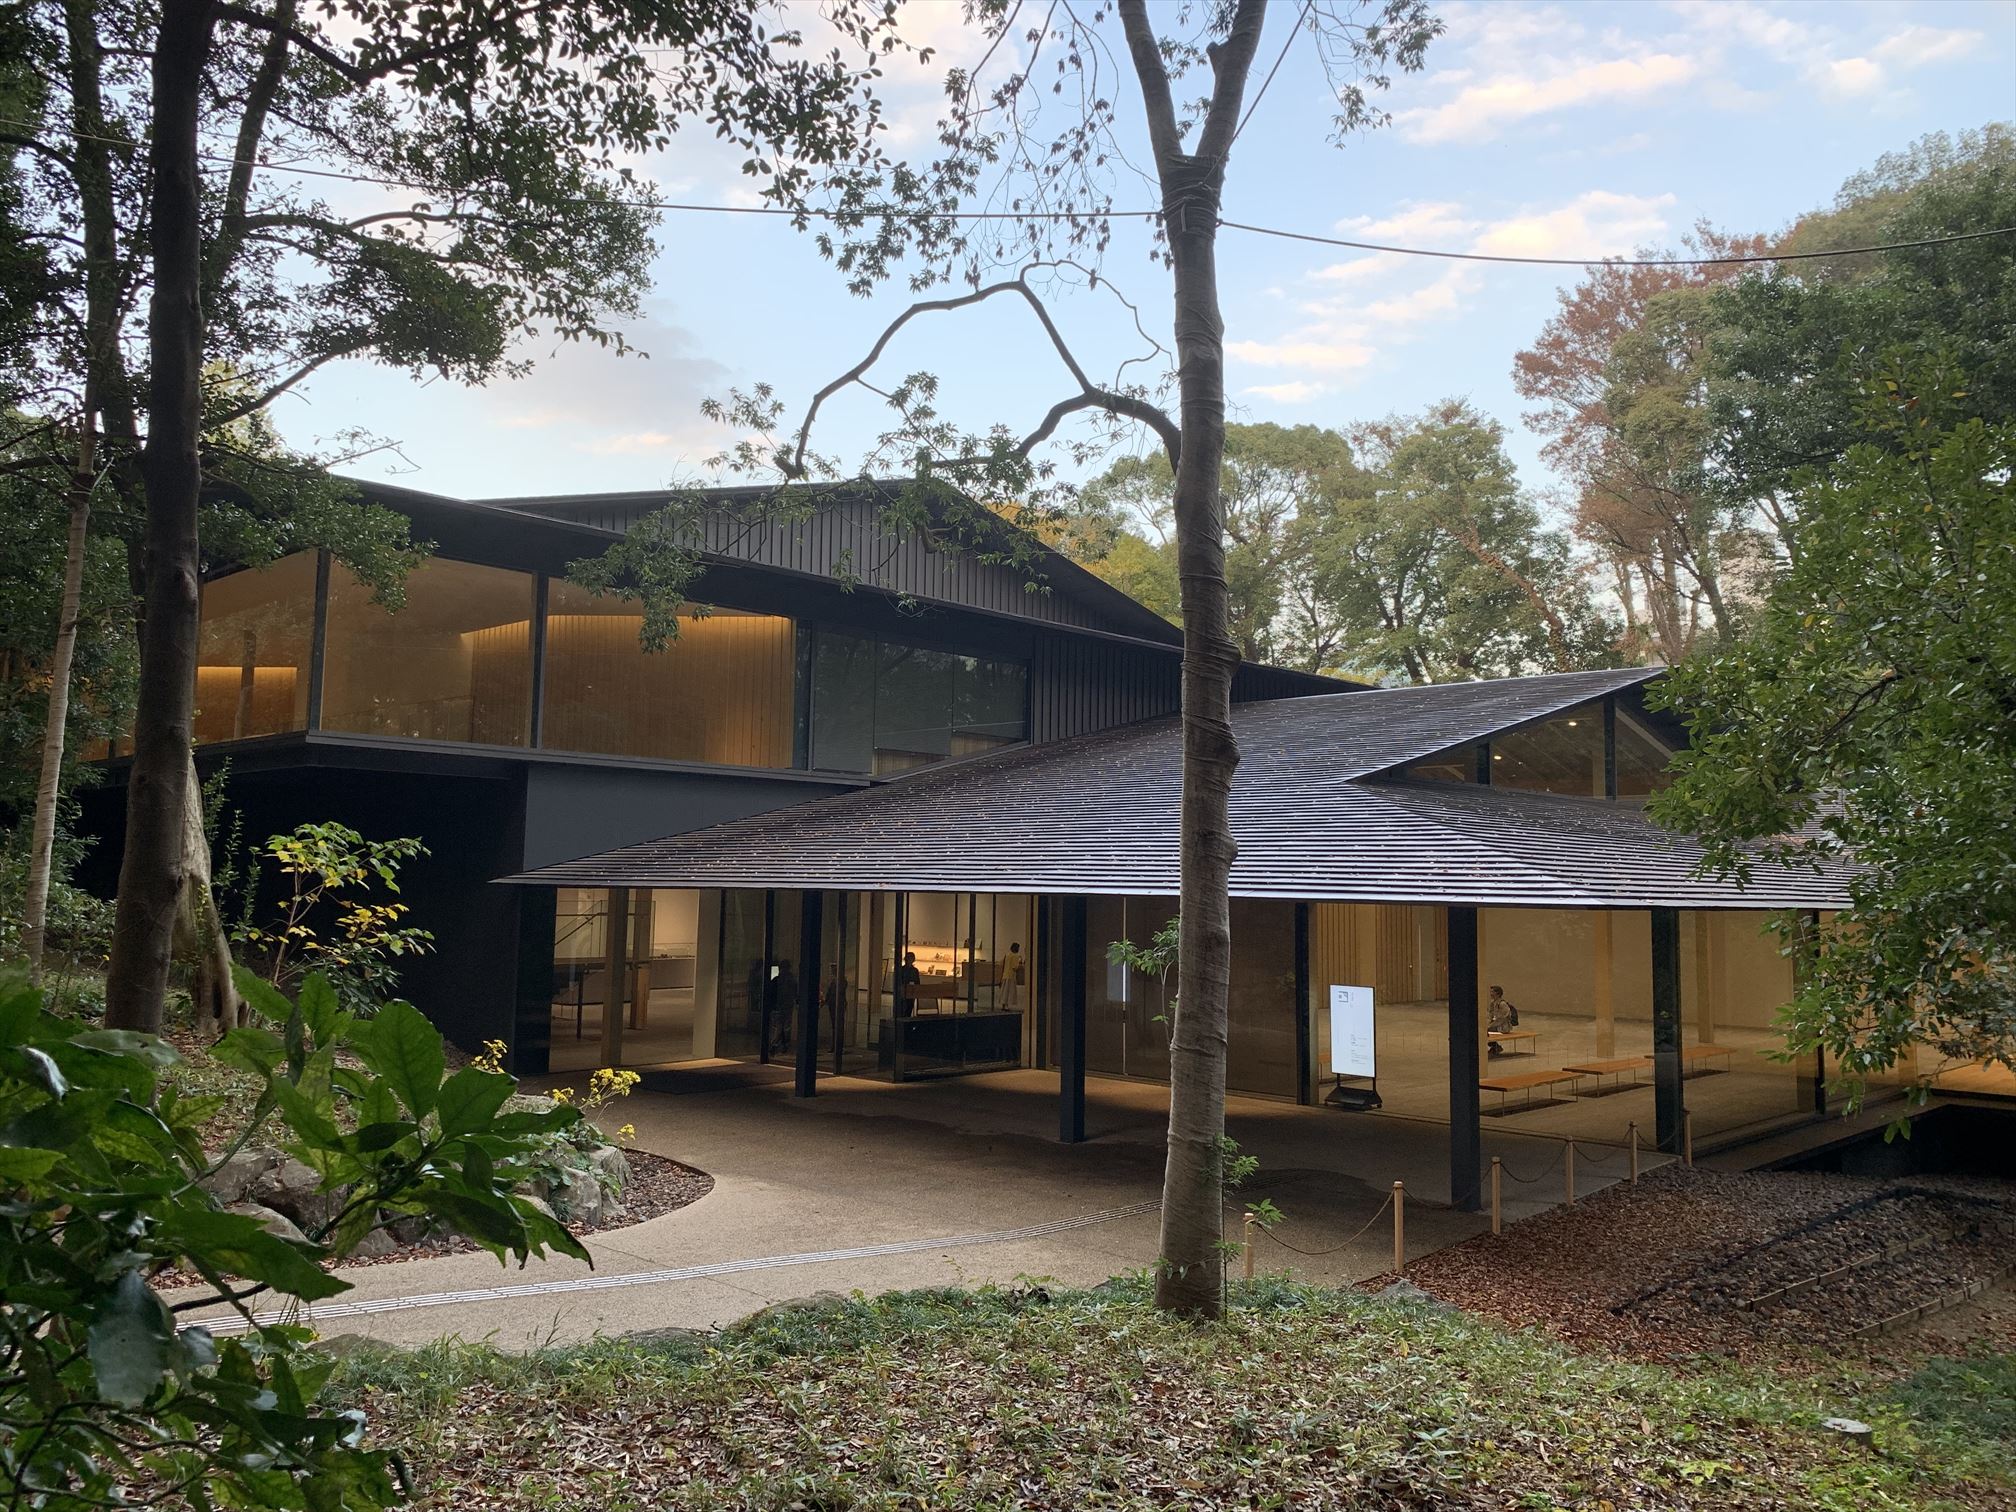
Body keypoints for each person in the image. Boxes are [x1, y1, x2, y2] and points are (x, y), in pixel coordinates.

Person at [1486, 984, 1519, 1056]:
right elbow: (1490, 1015)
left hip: (1503, 1026)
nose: (1490, 994)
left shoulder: (1502, 1004)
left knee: (1484, 1032)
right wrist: (1488, 1024)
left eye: (1492, 992)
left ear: (1497, 993)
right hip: (1495, 1024)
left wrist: (1491, 1025)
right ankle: (1495, 1046)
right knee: (1484, 1030)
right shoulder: (1492, 1003)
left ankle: (1495, 1047)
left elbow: (1503, 1018)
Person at [894, 950, 922, 1019]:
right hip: (903, 991)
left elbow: (917, 981)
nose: (909, 960)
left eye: (911, 959)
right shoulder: (901, 969)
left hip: (911, 991)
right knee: (903, 1007)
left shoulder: (915, 970)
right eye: (908, 958)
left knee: (909, 1007)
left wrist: (916, 989)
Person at [1000, 942, 1026, 1010]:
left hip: (1005, 975)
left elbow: (1002, 963)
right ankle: (1007, 1006)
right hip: (1011, 976)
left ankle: (1003, 1004)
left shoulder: (1007, 955)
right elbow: (1015, 967)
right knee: (1009, 992)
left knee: (1004, 991)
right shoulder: (1016, 956)